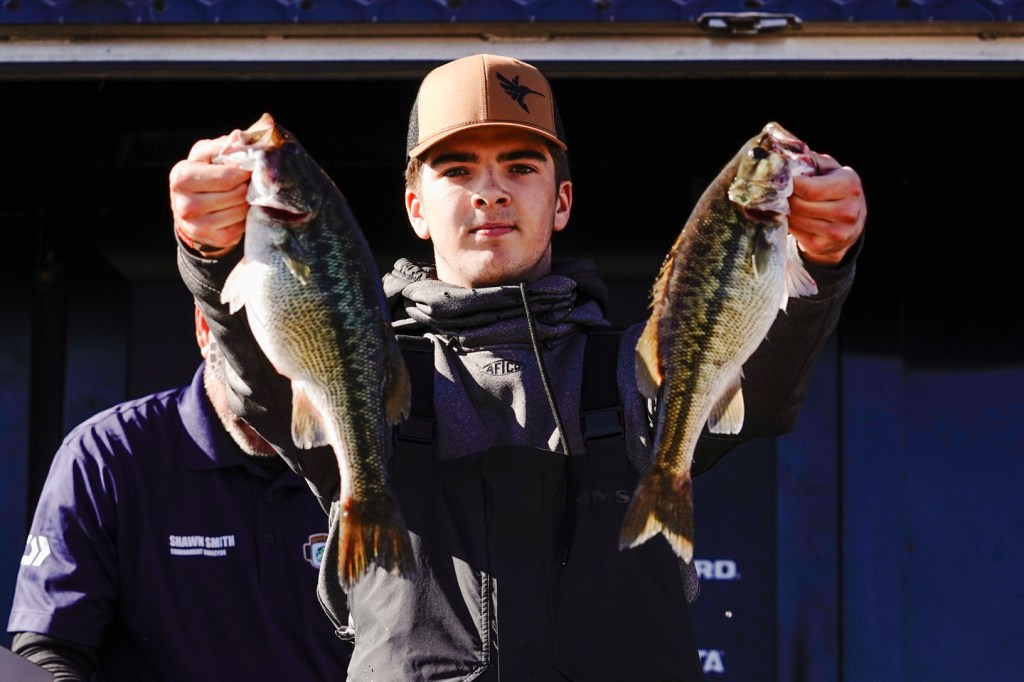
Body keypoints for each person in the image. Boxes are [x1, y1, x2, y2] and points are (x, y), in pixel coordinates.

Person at [168, 54, 866, 681]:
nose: (490, 192)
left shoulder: (633, 370)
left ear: (562, 202)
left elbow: (764, 391)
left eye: (521, 167)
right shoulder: (365, 368)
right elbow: (262, 388)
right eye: (457, 170)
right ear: (415, 207)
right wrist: (211, 255)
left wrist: (823, 262)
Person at [7, 306, 354, 681]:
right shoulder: (107, 456)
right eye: (248, 384)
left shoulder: (365, 458)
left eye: (289, 386)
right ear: (206, 329)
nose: (267, 413)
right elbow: (51, 648)